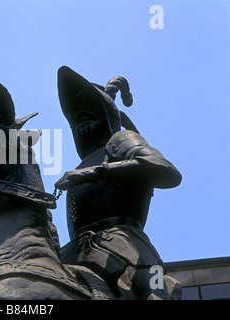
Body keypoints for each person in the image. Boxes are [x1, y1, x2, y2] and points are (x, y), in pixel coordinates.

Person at [55, 66, 182, 299]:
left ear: (107, 115)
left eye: (90, 108)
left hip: (127, 243)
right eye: (77, 111)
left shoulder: (122, 141)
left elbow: (169, 172)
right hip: (74, 251)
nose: (81, 113)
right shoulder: (82, 161)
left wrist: (96, 173)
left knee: (153, 290)